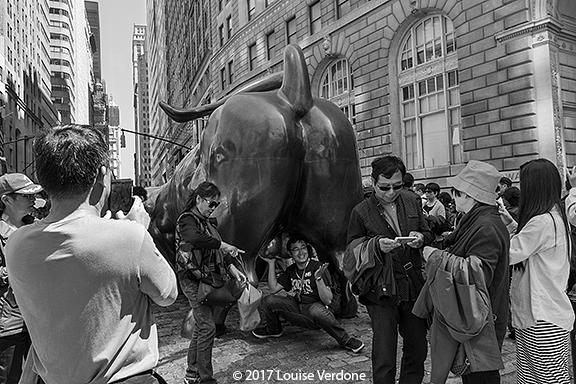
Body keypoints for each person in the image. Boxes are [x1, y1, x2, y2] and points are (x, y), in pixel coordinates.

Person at [5, 125, 178, 384]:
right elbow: (167, 295)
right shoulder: (129, 237)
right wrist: (139, 232)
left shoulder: (16, 243)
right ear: (101, 174)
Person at [345, 155, 433, 384]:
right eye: (384, 187)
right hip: (380, 291)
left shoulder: (413, 201)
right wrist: (375, 245)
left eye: (397, 186)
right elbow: (350, 253)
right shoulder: (360, 211)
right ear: (372, 182)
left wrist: (421, 237)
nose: (391, 192)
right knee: (384, 356)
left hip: (412, 286)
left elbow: (429, 233)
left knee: (418, 349)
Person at [500, 159, 574, 383]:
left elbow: (511, 252)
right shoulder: (553, 217)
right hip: (545, 315)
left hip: (542, 318)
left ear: (534, 186)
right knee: (538, 377)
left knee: (544, 379)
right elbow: (528, 245)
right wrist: (512, 224)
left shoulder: (542, 222)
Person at [440, 160, 510, 383]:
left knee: (481, 376)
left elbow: (476, 277)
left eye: (456, 193)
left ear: (470, 195)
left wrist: (435, 257)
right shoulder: (477, 220)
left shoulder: (486, 227)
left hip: (481, 321)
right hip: (476, 318)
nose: (454, 197)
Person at [175, 181, 247, 384]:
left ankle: (192, 373)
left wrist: (232, 266)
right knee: (207, 327)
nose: (213, 208)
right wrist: (224, 245)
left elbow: (217, 250)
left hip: (206, 278)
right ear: (198, 199)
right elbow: (196, 239)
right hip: (191, 279)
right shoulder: (187, 220)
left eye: (217, 205)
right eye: (211, 203)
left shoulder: (208, 223)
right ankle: (205, 379)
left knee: (201, 326)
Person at [252, 235, 364, 353]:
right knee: (268, 300)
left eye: (303, 248)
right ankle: (273, 329)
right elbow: (273, 289)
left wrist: (318, 279)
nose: (301, 252)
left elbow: (328, 300)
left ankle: (345, 340)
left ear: (308, 250)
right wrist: (271, 263)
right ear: (291, 254)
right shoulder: (291, 270)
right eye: (296, 249)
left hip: (315, 313)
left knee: (316, 310)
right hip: (297, 308)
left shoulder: (318, 267)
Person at [0, 174, 42, 384]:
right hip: (9, 326)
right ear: (6, 200)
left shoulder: (37, 228)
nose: (33, 199)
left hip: (39, 322)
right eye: (26, 195)